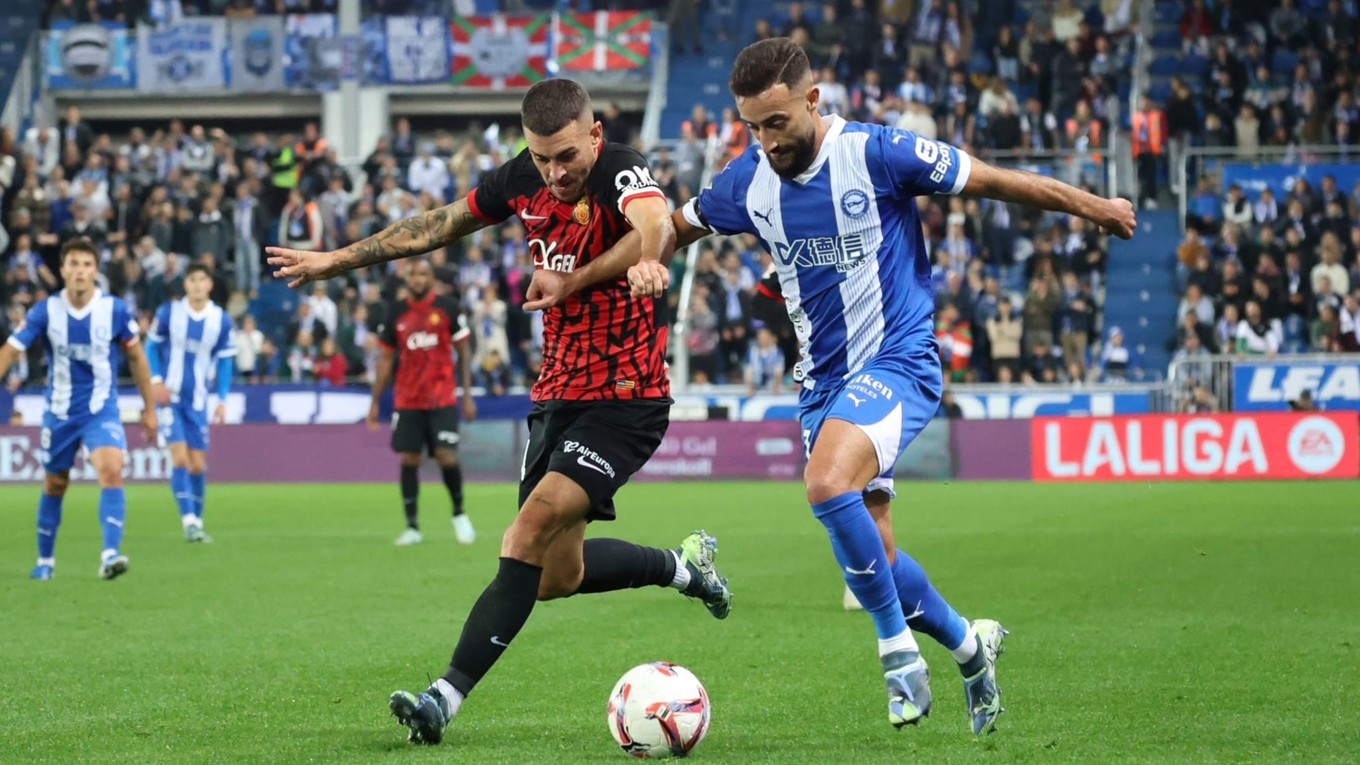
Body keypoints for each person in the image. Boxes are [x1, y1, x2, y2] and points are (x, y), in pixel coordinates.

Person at [524, 39, 1137, 735]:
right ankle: (970, 648)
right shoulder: (746, 182)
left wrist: (1098, 208)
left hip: (899, 360)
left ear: (813, 101)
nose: (767, 140)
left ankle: (898, 654)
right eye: (753, 126)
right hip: (822, 384)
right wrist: (649, 262)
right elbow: (672, 226)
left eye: (778, 121)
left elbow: (994, 180)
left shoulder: (878, 154)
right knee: (872, 561)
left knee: (824, 484)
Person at [266, 78, 733, 746]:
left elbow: (656, 219)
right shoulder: (522, 179)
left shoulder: (619, 167)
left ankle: (442, 697)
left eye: (567, 155)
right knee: (553, 575)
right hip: (557, 396)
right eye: (543, 158)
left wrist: (654, 260)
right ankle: (685, 566)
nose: (556, 171)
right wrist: (334, 260)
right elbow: (435, 226)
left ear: (593, 135)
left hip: (627, 398)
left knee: (525, 533)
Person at [0, 237, 158, 580]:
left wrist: (150, 409)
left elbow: (137, 359)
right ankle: (45, 562)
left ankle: (110, 555)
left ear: (95, 270)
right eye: (73, 264)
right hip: (59, 412)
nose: (80, 271)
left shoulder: (114, 310)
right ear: (63, 270)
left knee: (112, 469)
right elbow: (11, 351)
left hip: (101, 409)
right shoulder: (45, 311)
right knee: (56, 483)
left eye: (87, 264)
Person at [370, 259, 479, 546]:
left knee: (447, 456)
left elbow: (464, 351)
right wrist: (375, 402)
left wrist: (467, 395)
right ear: (407, 279)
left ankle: (459, 514)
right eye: (413, 274)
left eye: (423, 274)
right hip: (408, 398)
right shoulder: (395, 312)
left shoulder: (448, 308)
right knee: (409, 458)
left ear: (431, 279)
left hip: (442, 396)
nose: (418, 279)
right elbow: (385, 359)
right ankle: (412, 527)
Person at [145, 263, 237, 543]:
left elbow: (225, 361)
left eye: (202, 280)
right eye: (192, 280)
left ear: (210, 284)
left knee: (198, 465)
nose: (197, 285)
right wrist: (156, 380)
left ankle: (197, 520)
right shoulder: (169, 312)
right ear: (185, 284)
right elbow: (151, 346)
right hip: (168, 397)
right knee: (181, 458)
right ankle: (188, 522)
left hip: (197, 400)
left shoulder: (220, 320)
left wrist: (222, 399)